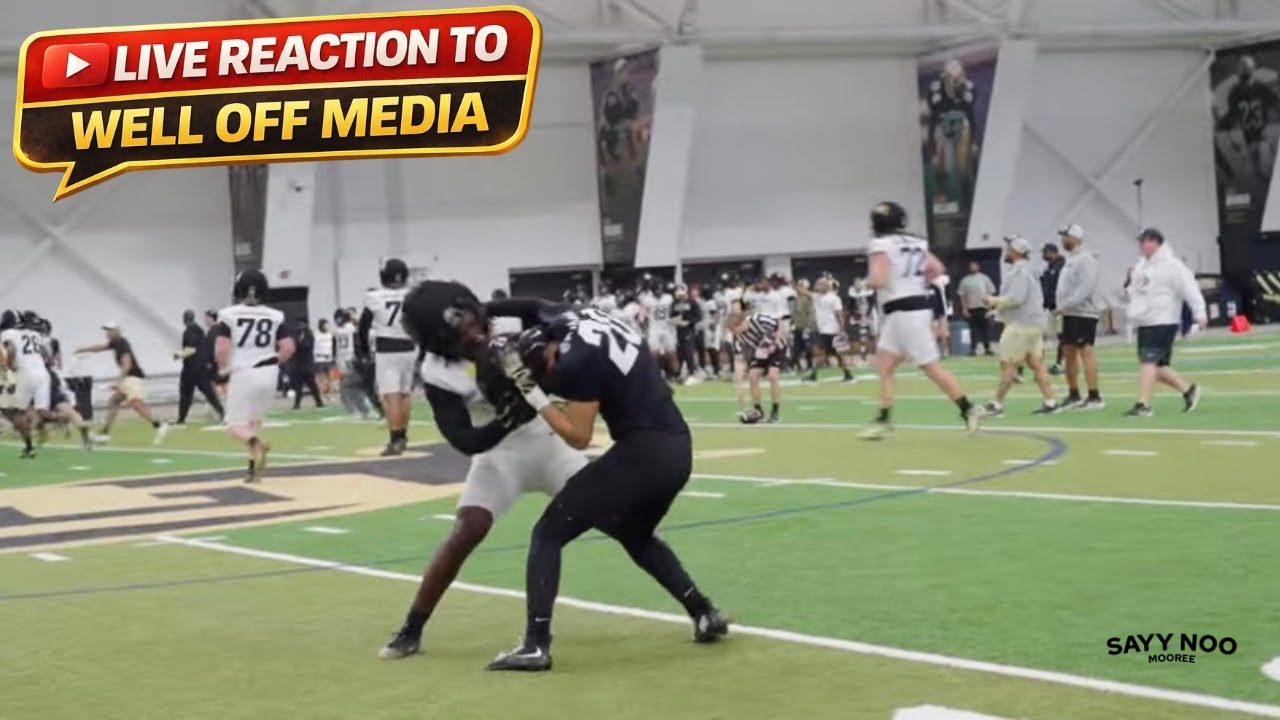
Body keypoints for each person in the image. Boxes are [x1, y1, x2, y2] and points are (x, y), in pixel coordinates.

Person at [482, 301, 729, 672]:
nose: (552, 372)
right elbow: (538, 309)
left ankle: (536, 645)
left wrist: (533, 393)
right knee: (634, 534)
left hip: (645, 452)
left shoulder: (576, 359)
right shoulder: (578, 319)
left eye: (548, 366)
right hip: (678, 447)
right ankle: (704, 611)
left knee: (547, 534)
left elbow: (579, 437)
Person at [378, 280, 588, 661]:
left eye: (473, 321)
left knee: (621, 518)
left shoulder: (506, 316)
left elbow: (557, 311)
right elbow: (464, 439)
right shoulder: (437, 369)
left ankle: (697, 606)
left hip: (551, 442)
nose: (472, 335)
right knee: (466, 530)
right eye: (456, 335)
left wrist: (550, 347)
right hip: (500, 455)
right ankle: (412, 627)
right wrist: (507, 421)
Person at [859, 202, 983, 440]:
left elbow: (878, 279)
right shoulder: (916, 242)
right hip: (909, 309)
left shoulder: (880, 244)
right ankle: (884, 419)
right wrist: (916, 282)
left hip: (904, 312)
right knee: (884, 365)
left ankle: (968, 409)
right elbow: (937, 268)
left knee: (931, 367)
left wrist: (866, 282)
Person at [214, 270, 296, 482]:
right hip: (269, 372)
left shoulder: (229, 314)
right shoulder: (275, 315)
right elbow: (288, 347)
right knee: (253, 424)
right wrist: (273, 362)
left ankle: (256, 445)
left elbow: (222, 348)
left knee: (236, 427)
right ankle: (252, 471)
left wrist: (222, 369)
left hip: (243, 372)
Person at [1123, 228, 1207, 417]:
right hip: (1145, 320)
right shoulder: (1141, 266)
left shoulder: (1172, 265)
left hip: (1163, 319)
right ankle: (1188, 391)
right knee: (1155, 366)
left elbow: (1189, 288)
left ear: (1155, 242)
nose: (1140, 246)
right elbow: (1135, 290)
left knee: (1149, 361)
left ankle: (1143, 405)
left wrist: (1199, 312)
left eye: (1144, 241)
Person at [981, 237, 1061, 416]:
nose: (1007, 251)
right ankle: (1051, 401)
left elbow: (1016, 299)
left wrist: (993, 300)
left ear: (1016, 251)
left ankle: (997, 404)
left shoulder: (1019, 272)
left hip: (1021, 326)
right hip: (1034, 324)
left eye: (1009, 248)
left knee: (1007, 364)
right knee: (1036, 363)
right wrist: (997, 311)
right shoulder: (1030, 270)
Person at [75, 322, 170, 445]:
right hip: (129, 378)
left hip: (132, 378)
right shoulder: (116, 343)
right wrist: (83, 350)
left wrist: (118, 382)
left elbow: (127, 364)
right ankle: (104, 433)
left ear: (117, 331)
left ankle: (159, 424)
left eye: (110, 330)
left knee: (135, 403)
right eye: (106, 331)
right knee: (114, 401)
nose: (107, 333)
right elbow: (100, 348)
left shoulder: (122, 344)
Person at [359, 258, 416, 455]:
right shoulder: (412, 295)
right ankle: (404, 436)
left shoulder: (374, 297)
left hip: (387, 349)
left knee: (391, 397)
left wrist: (364, 351)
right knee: (405, 394)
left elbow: (363, 327)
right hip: (409, 347)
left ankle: (395, 439)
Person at [1054, 224, 1105, 409]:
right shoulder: (1071, 259)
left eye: (1065, 236)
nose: (1063, 240)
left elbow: (1086, 287)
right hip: (1070, 312)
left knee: (1086, 351)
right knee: (1068, 352)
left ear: (1076, 238)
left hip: (1084, 312)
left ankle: (1094, 396)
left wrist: (1066, 304)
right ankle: (1073, 393)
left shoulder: (1086, 259)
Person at [0, 309, 50, 458]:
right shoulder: (33, 333)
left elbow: (11, 348)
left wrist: (9, 367)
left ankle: (29, 445)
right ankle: (58, 420)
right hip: (42, 374)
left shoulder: (8, 334)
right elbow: (44, 353)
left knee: (10, 410)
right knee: (40, 411)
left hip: (23, 374)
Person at [728, 308, 785, 423]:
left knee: (773, 376)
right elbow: (740, 360)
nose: (736, 332)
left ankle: (775, 411)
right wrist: (739, 385)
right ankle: (758, 410)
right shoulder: (739, 338)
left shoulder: (758, 319)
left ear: (743, 322)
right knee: (752, 377)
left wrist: (774, 342)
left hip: (776, 348)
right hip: (759, 352)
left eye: (736, 328)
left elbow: (779, 324)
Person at [175, 309, 225, 425]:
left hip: (191, 368)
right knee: (209, 393)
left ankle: (181, 418)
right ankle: (222, 412)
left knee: (185, 394)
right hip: (202, 368)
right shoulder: (200, 330)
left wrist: (178, 354)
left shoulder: (189, 332)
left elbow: (191, 349)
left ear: (184, 319)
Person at [806, 277, 854, 383]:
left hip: (833, 330)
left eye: (820, 284)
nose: (818, 286)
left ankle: (847, 374)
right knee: (825, 354)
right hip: (823, 330)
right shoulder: (817, 297)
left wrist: (841, 329)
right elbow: (803, 292)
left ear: (827, 286)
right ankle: (814, 375)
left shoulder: (834, 298)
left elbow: (839, 314)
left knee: (836, 354)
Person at [333, 309, 373, 418]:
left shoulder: (338, 330)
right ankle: (362, 408)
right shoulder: (351, 328)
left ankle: (359, 408)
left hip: (345, 359)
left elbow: (335, 347)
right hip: (349, 358)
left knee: (350, 386)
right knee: (352, 385)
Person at [958, 261, 996, 355]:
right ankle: (973, 349)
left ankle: (987, 348)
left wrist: (990, 308)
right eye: (971, 266)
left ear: (978, 267)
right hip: (972, 308)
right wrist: (964, 308)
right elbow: (962, 296)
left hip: (983, 307)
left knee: (985, 329)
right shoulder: (965, 280)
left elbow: (990, 292)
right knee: (973, 330)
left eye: (974, 266)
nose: (973, 268)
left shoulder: (984, 278)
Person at [1040, 243, 1067, 374]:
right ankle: (1059, 362)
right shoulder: (1049, 268)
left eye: (1046, 252)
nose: (1044, 256)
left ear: (1053, 252)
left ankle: (1061, 363)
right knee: (1057, 335)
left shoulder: (1062, 267)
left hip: (1060, 306)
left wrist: (1061, 304)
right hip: (1051, 307)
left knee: (1063, 335)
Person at [289, 318, 324, 410]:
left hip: (307, 363)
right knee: (298, 386)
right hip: (298, 364)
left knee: (312, 384)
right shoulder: (295, 335)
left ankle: (318, 401)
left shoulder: (309, 334)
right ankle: (297, 404)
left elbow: (307, 346)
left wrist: (298, 345)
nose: (300, 327)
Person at [671, 284, 702, 382]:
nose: (680, 297)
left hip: (689, 330)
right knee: (680, 353)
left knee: (689, 352)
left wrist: (688, 322)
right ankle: (680, 373)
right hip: (677, 330)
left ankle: (692, 373)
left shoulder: (692, 302)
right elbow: (671, 316)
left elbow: (698, 316)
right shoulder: (674, 303)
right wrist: (676, 321)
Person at [313, 319, 335, 399]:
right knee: (320, 377)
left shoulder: (330, 334)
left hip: (328, 358)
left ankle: (329, 393)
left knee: (330, 377)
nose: (328, 326)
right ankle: (321, 394)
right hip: (319, 358)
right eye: (326, 324)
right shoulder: (316, 334)